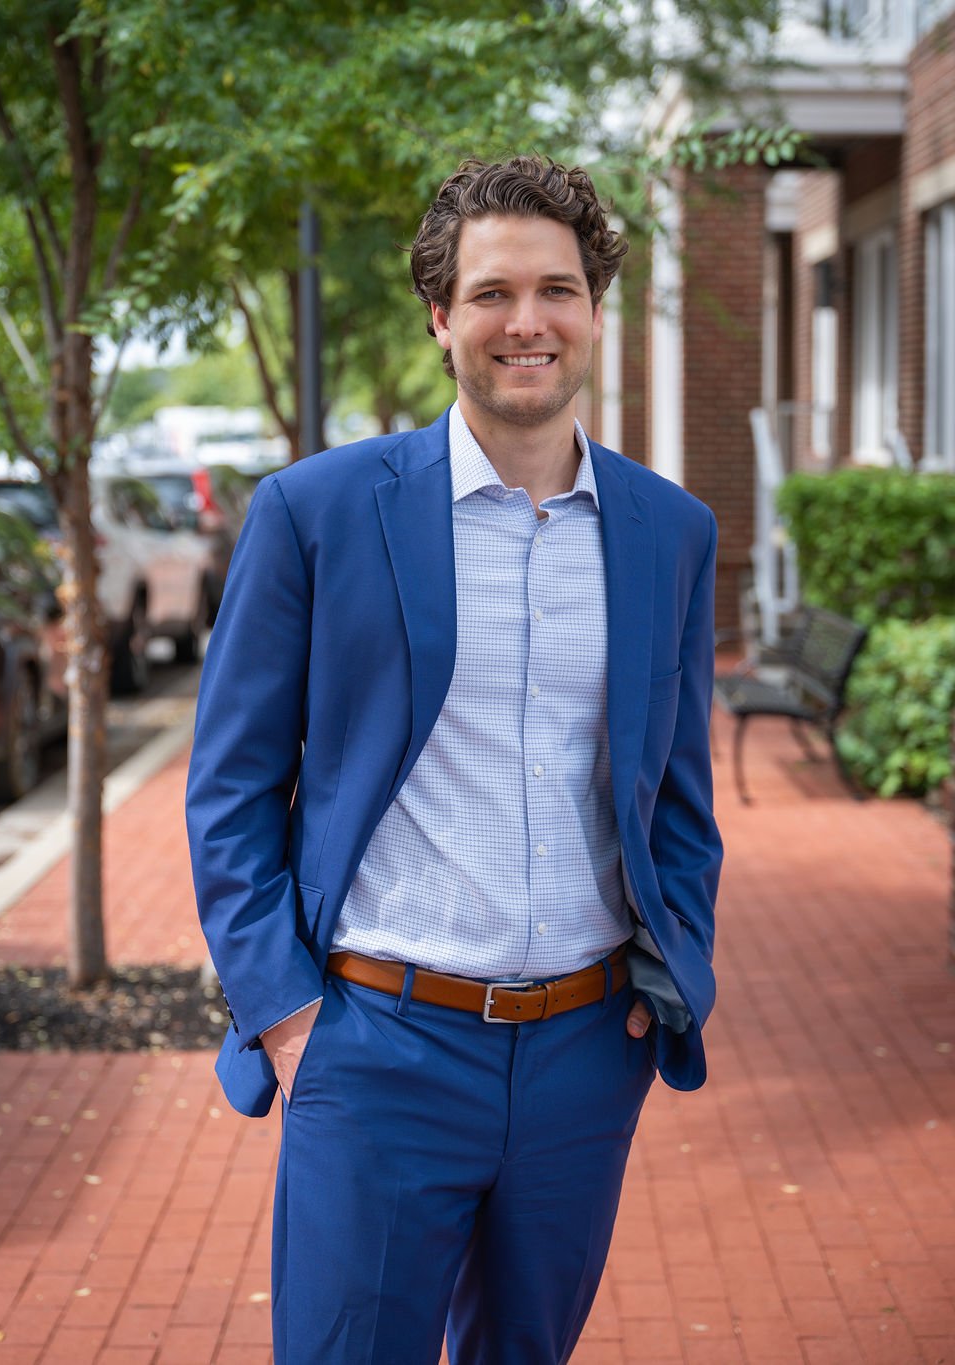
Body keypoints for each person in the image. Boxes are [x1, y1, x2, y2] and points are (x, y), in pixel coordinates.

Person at [185, 154, 722, 1365]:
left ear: (593, 310)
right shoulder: (315, 512)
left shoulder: (670, 532)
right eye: (489, 293)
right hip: (376, 1048)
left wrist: (672, 966)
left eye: (556, 290)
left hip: (586, 1056)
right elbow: (228, 786)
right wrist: (285, 1017)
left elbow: (677, 797)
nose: (524, 321)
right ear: (440, 316)